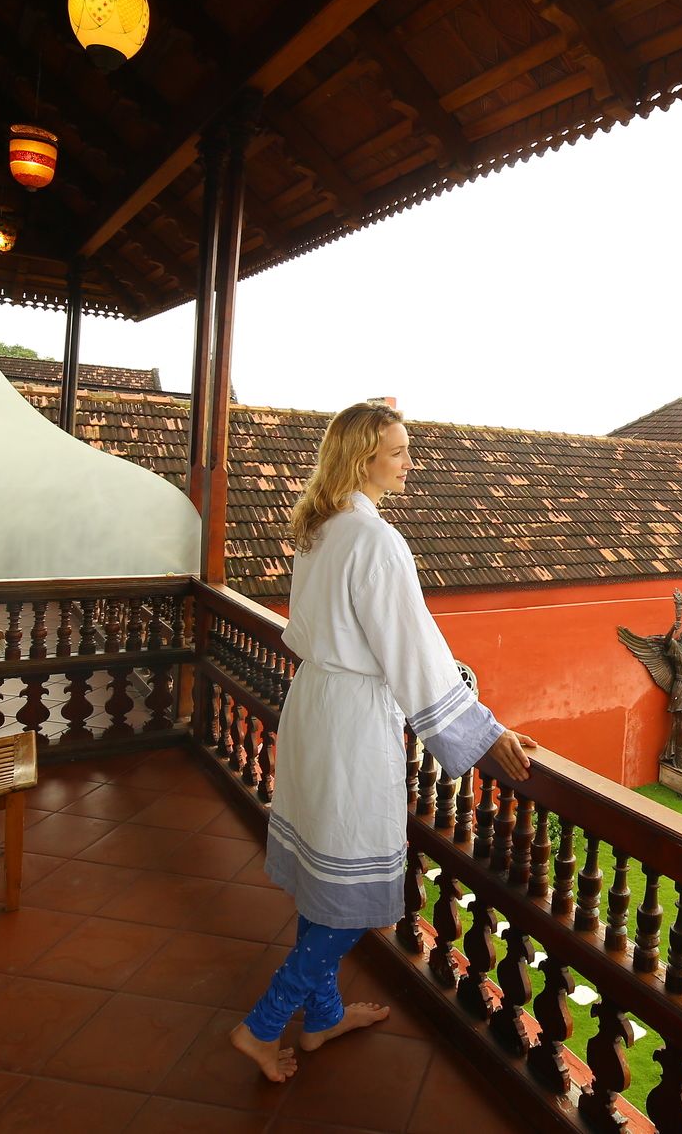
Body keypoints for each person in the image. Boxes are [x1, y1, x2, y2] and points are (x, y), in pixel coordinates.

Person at [230, 401, 537, 1082]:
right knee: (353, 889)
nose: (408, 463)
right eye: (397, 451)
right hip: (351, 724)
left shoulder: (320, 527)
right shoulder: (374, 540)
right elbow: (414, 650)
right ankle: (261, 1025)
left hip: (316, 704)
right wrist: (485, 733)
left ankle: (322, 1016)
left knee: (325, 874)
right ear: (363, 456)